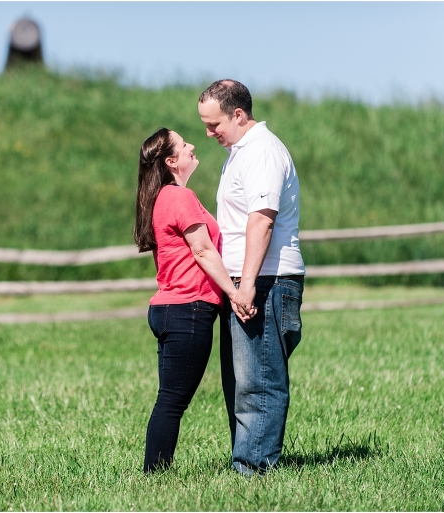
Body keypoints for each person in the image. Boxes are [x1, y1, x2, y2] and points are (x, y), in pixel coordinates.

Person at [197, 79, 305, 477]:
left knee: (259, 380)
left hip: (266, 279)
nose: (209, 135)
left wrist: (246, 285)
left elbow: (261, 221)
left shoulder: (261, 151)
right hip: (250, 278)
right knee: (242, 380)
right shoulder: (240, 151)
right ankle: (247, 458)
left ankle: (255, 469)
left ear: (238, 114)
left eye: (214, 125)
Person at [134, 127, 253, 474]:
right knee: (172, 399)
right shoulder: (179, 198)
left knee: (170, 397)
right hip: (188, 309)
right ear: (171, 161)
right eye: (184, 145)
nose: (192, 147)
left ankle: (155, 472)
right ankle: (154, 475)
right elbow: (202, 249)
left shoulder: (165, 198)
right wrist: (234, 293)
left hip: (170, 308)